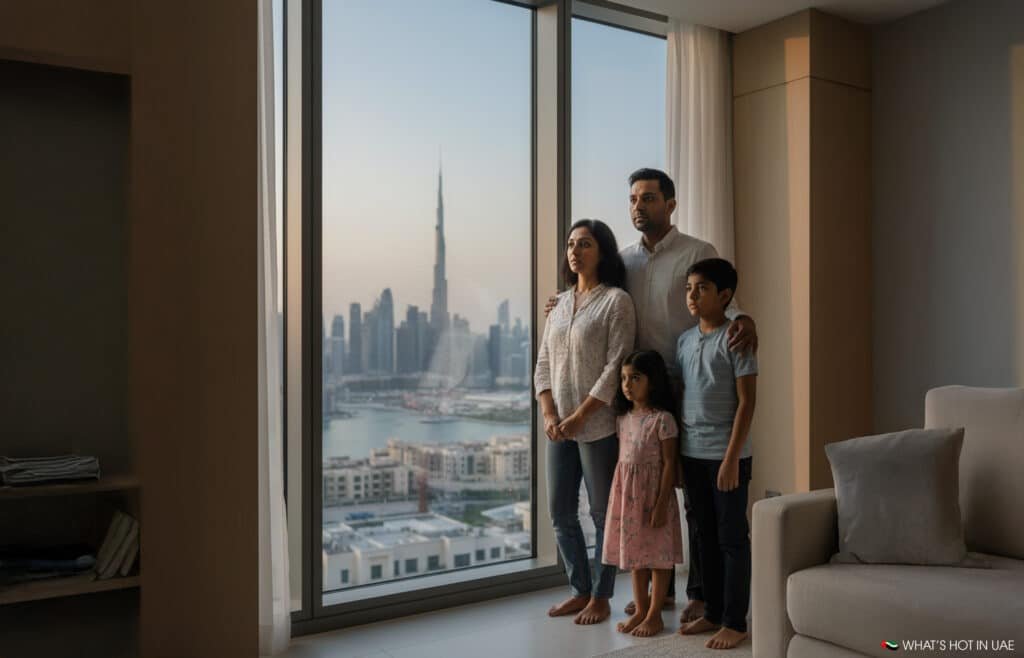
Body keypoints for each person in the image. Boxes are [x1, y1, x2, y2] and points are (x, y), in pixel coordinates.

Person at [548, 168, 758, 625]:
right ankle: (657, 594)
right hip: (639, 392)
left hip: (688, 382)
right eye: (633, 200)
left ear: (671, 203)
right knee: (644, 491)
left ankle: (699, 592)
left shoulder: (696, 251)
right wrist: (558, 304)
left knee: (688, 493)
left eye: (648, 198)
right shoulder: (624, 260)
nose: (638, 207)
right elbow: (596, 301)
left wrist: (744, 319)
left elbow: (722, 297)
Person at [534, 218, 636, 626]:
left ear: (603, 252)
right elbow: (543, 363)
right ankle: (578, 589)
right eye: (571, 244)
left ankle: (601, 594)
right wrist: (550, 414)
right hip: (558, 427)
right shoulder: (557, 305)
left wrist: (579, 416)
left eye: (586, 244)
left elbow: (615, 367)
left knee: (601, 514)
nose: (575, 251)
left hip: (596, 427)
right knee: (559, 512)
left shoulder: (616, 302)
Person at [675, 258, 757, 650]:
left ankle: (735, 621)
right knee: (703, 536)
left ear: (724, 296)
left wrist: (730, 459)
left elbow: (747, 404)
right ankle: (711, 611)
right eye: (689, 287)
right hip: (691, 455)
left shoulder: (737, 337)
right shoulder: (684, 341)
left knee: (731, 539)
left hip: (727, 457)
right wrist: (677, 456)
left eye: (702, 288)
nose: (692, 295)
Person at [603, 350, 683, 638]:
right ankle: (640, 609)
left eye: (635, 378)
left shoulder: (662, 420)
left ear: (653, 381)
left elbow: (670, 464)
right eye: (624, 378)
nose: (627, 384)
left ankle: (655, 614)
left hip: (654, 498)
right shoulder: (622, 419)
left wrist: (661, 503)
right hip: (629, 498)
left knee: (658, 557)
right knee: (636, 556)